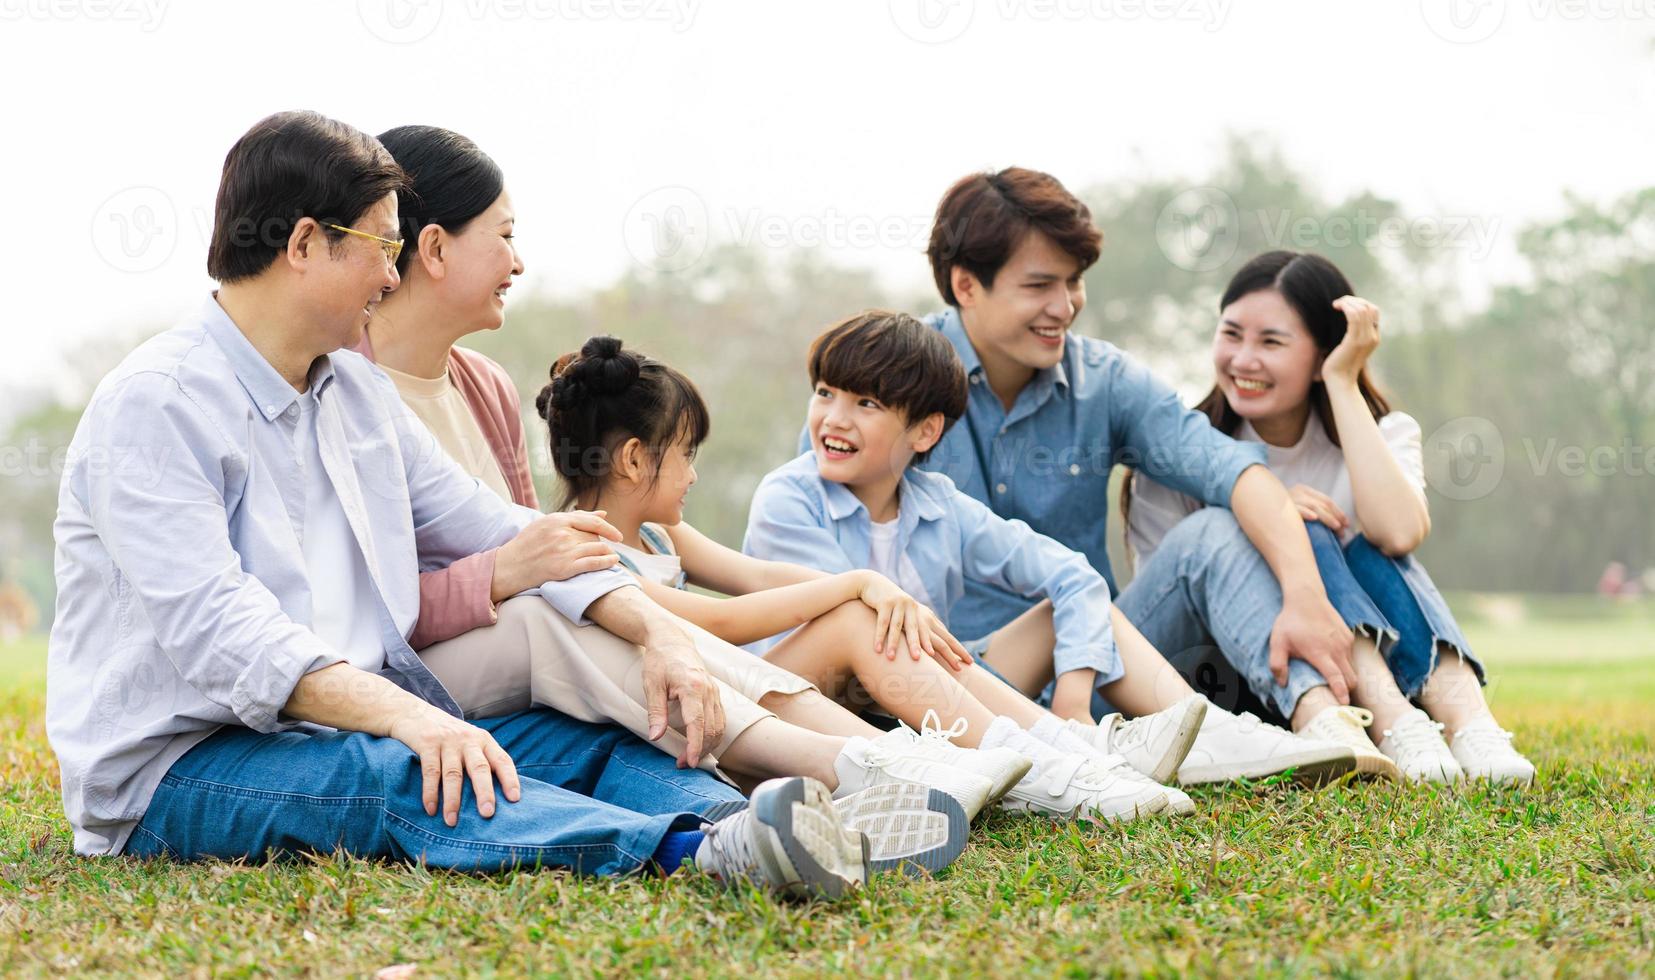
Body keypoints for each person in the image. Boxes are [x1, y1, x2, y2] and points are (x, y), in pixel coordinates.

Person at [44, 110, 872, 898]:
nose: (393, 274)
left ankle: (763, 824)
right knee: (404, 774)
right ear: (304, 244)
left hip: (350, 718)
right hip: (183, 763)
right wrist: (411, 718)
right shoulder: (158, 405)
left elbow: (503, 525)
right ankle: (693, 853)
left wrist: (659, 629)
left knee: (576, 742)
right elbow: (228, 637)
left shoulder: (355, 397)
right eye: (381, 247)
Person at [351, 125, 1012, 875]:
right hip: (414, 671)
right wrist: (506, 579)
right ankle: (859, 763)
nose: (518, 261)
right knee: (556, 616)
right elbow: (381, 606)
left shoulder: (484, 387)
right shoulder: (348, 393)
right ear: (434, 249)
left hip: (510, 664)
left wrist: (610, 609)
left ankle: (846, 788)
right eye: (503, 237)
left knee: (614, 645)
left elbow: (542, 549)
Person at [539, 334, 1197, 822]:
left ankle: (1061, 756)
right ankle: (1048, 775)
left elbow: (758, 576)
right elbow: (723, 622)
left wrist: (879, 591)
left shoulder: (659, 533)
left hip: (750, 707)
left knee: (881, 614)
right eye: (684, 455)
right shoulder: (590, 555)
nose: (693, 474)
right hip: (716, 742)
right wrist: (857, 585)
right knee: (862, 617)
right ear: (632, 461)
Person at [770, 311, 1359, 790]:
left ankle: (1202, 735)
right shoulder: (791, 498)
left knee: (1071, 609)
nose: (833, 418)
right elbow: (849, 632)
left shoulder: (937, 504)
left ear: (924, 433)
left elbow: (1072, 576)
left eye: (865, 404)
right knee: (866, 618)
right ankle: (1069, 757)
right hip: (821, 699)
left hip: (932, 696)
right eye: (825, 394)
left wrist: (1074, 696)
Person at [1126, 251, 1535, 784]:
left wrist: (1343, 383)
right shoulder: (1184, 450)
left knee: (1364, 544)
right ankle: (1392, 720)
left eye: (1271, 342)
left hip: (1334, 688)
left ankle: (1466, 723)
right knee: (1299, 522)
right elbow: (1173, 597)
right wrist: (1265, 510)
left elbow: (1399, 533)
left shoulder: (1382, 434)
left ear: (1324, 351)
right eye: (1231, 335)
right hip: (1212, 674)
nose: (1243, 360)